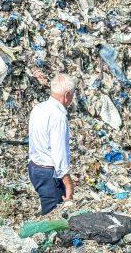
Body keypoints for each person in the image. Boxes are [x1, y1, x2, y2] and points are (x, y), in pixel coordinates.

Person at [28, 73, 77, 215]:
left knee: (49, 212)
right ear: (67, 94)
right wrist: (68, 183)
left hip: (34, 167)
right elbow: (58, 152)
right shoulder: (58, 116)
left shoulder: (39, 108)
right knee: (54, 218)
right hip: (49, 173)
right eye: (73, 95)